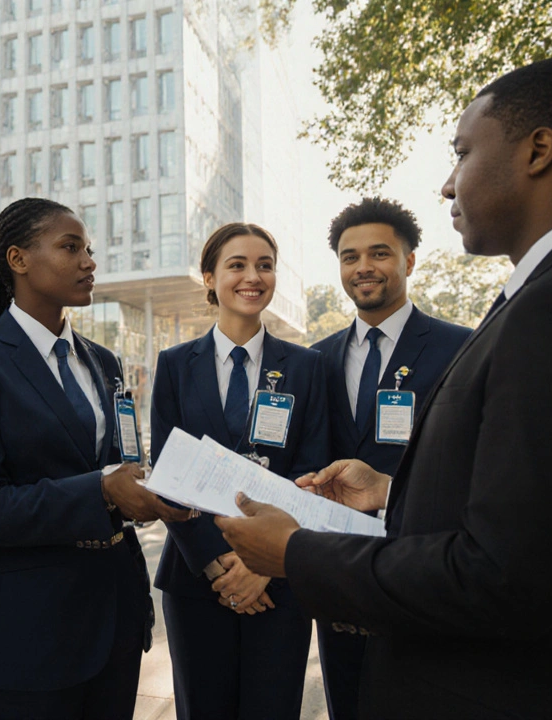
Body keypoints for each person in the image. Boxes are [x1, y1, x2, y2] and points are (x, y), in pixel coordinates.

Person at [216, 57, 552, 718]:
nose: (446, 183)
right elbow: (526, 507)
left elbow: (505, 578)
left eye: (463, 152)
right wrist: (391, 491)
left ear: (538, 151)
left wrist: (297, 552)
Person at [0, 197, 190, 719]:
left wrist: (154, 491)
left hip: (114, 617)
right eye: (71, 247)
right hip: (26, 632)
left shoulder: (105, 361)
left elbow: (120, 462)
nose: (89, 261)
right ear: (18, 259)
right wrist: (100, 490)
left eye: (89, 249)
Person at [150, 222, 330, 719]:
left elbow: (311, 471)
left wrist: (261, 563)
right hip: (196, 577)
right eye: (237, 265)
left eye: (265, 265)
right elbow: (168, 474)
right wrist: (215, 561)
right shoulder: (174, 365)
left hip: (277, 581)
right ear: (209, 277)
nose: (253, 276)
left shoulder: (307, 367)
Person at [309, 198, 470, 720]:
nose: (363, 268)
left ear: (410, 260)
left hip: (422, 572)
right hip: (342, 576)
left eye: (379, 253)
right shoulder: (317, 359)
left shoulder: (461, 349)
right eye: (349, 256)